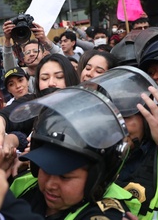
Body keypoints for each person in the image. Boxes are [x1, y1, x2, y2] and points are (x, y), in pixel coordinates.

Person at [9, 87, 140, 219]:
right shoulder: (25, 185)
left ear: (96, 179)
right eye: (45, 169)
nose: (50, 185)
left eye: (65, 177)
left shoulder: (105, 213)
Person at [80, 66, 158, 219]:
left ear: (147, 118)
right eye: (109, 116)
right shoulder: (88, 154)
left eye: (125, 117)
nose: (116, 126)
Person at [0, 54, 80, 147]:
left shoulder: (84, 106)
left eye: (59, 77)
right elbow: (11, 112)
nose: (51, 83)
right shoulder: (34, 103)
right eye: (44, 78)